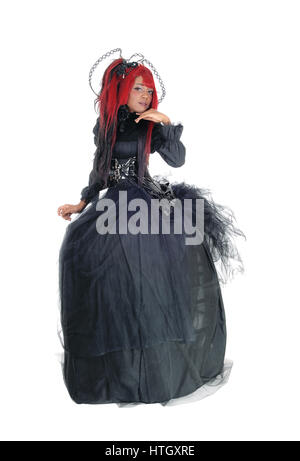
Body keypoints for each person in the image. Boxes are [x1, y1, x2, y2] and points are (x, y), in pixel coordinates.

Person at [57, 50, 245, 406]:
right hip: (111, 204)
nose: (145, 95)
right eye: (138, 88)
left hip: (145, 203)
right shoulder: (106, 127)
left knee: (154, 284)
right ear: (122, 89)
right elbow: (101, 171)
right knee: (99, 274)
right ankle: (120, 372)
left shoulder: (150, 125)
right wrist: (82, 202)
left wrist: (165, 123)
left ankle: (160, 369)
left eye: (149, 90)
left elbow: (177, 159)